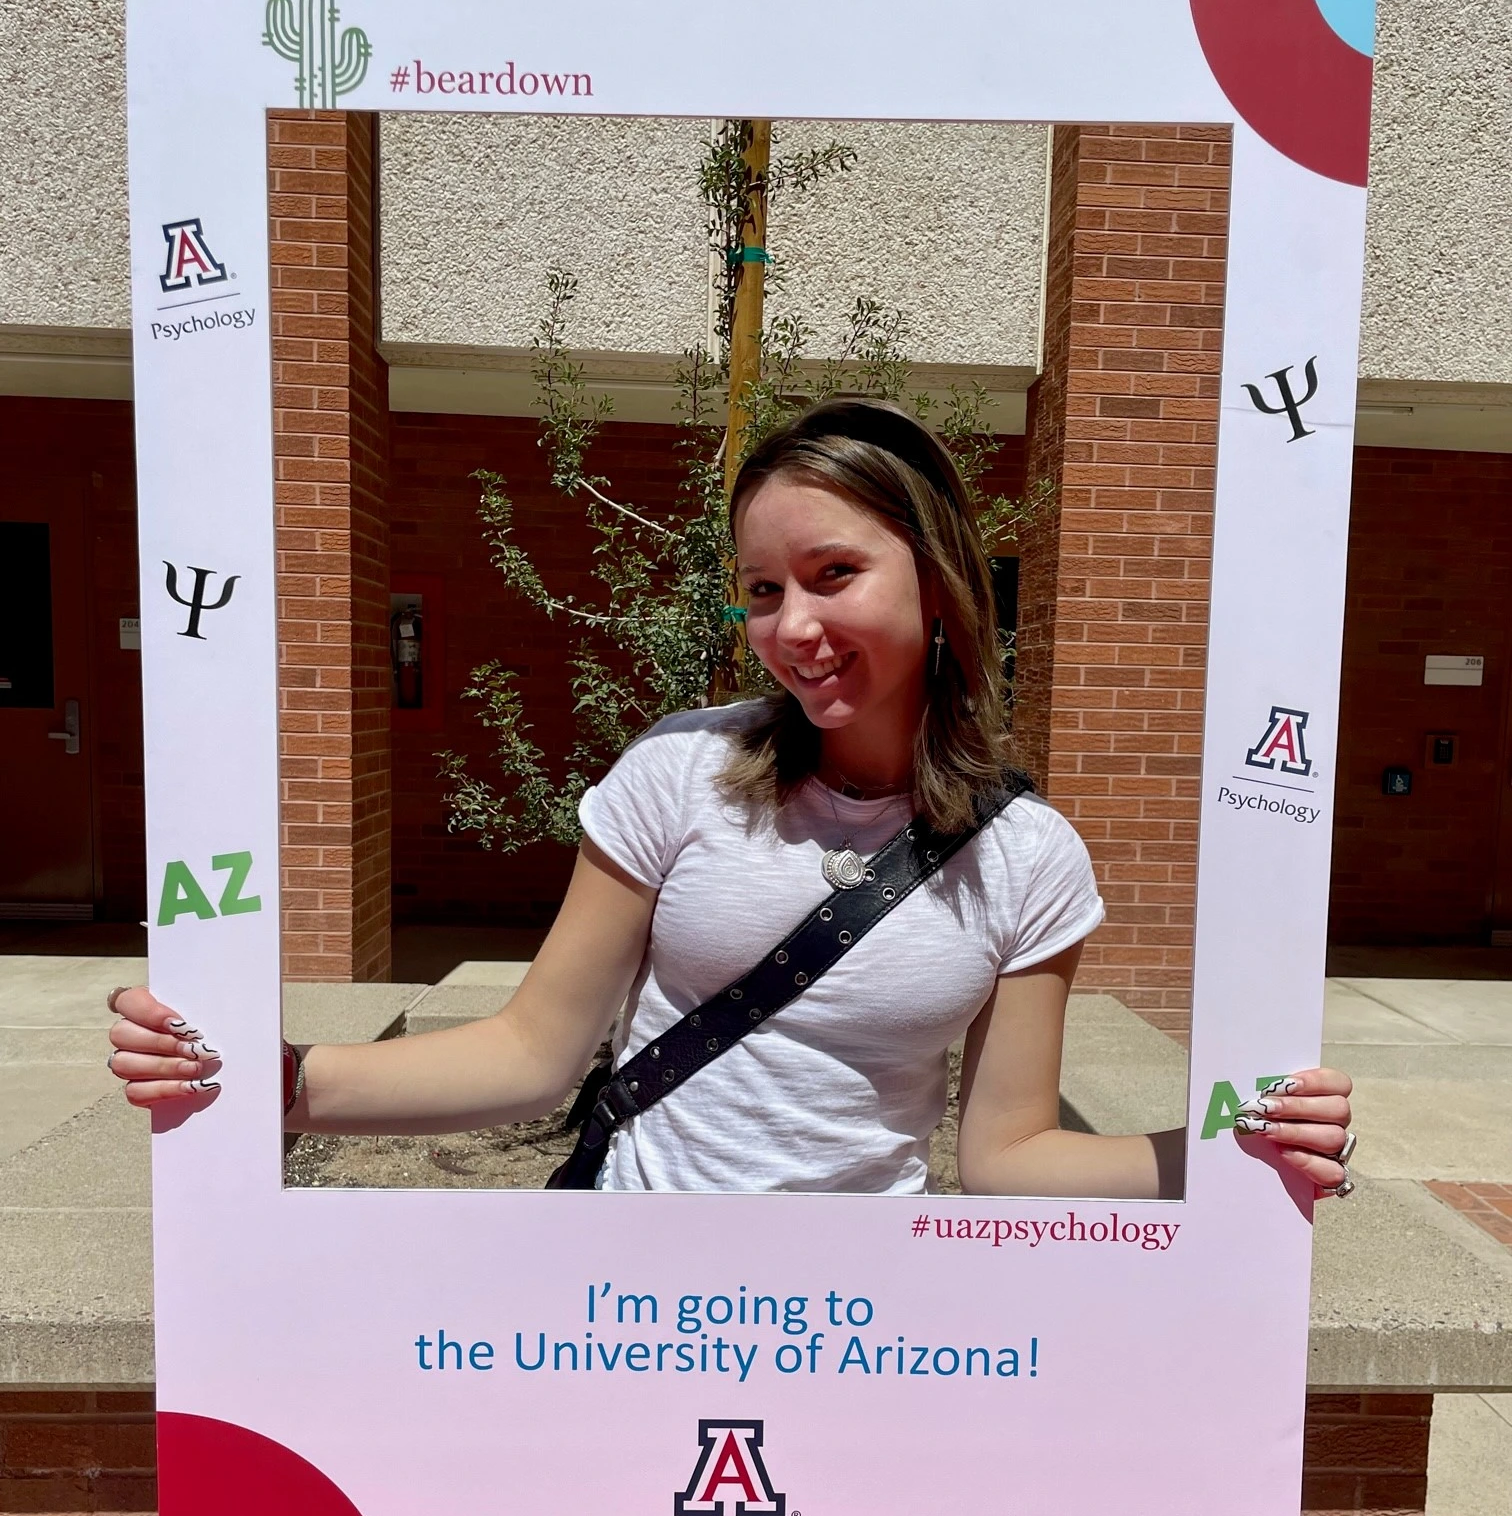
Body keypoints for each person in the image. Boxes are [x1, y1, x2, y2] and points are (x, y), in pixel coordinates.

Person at [105, 399, 1355, 1199]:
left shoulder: (1029, 858)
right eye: (763, 590)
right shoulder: (680, 775)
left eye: (833, 573)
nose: (792, 625)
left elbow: (1008, 1156)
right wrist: (281, 1080)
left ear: (937, 583)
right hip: (631, 1302)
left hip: (861, 1329)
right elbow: (534, 1053)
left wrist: (1238, 1156)